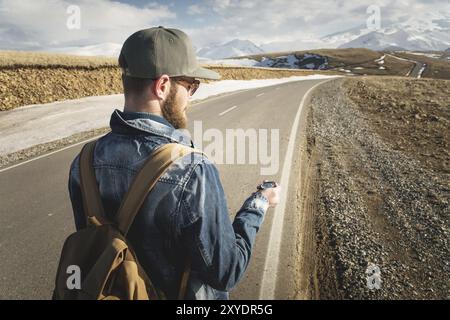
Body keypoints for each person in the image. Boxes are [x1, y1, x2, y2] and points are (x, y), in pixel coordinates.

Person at [68, 26, 281, 300]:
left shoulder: (83, 161)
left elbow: (95, 245)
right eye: (191, 86)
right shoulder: (192, 169)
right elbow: (226, 272)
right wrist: (258, 204)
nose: (190, 96)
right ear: (163, 86)